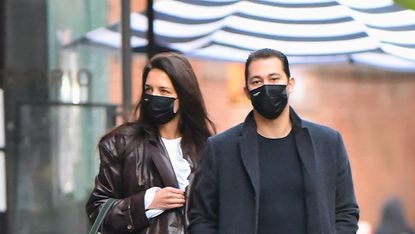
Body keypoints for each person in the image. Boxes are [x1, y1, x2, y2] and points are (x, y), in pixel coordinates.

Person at [189, 48, 359, 233]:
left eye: (274, 79)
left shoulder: (328, 143)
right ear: (247, 91)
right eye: (257, 81)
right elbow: (202, 218)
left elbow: (346, 212)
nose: (266, 86)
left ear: (290, 84)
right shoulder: (221, 149)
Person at [86, 52, 215, 234]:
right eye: (149, 90)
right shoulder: (121, 142)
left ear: (183, 97)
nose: (154, 96)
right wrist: (146, 202)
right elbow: (97, 210)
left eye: (164, 91)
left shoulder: (207, 148)